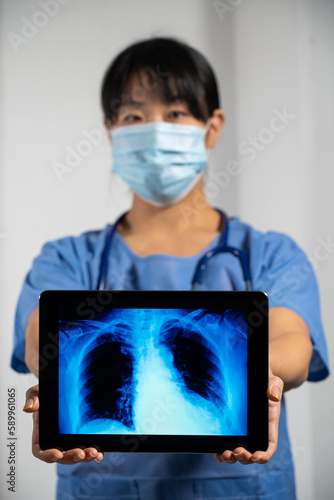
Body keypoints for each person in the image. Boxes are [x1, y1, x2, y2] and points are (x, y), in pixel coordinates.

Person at [12, 37, 329, 500]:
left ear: (212, 126)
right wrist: (57, 376)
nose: (155, 130)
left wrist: (261, 379)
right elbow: (42, 331)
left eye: (176, 113)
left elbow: (293, 344)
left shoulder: (269, 253)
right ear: (110, 130)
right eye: (134, 117)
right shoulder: (66, 259)